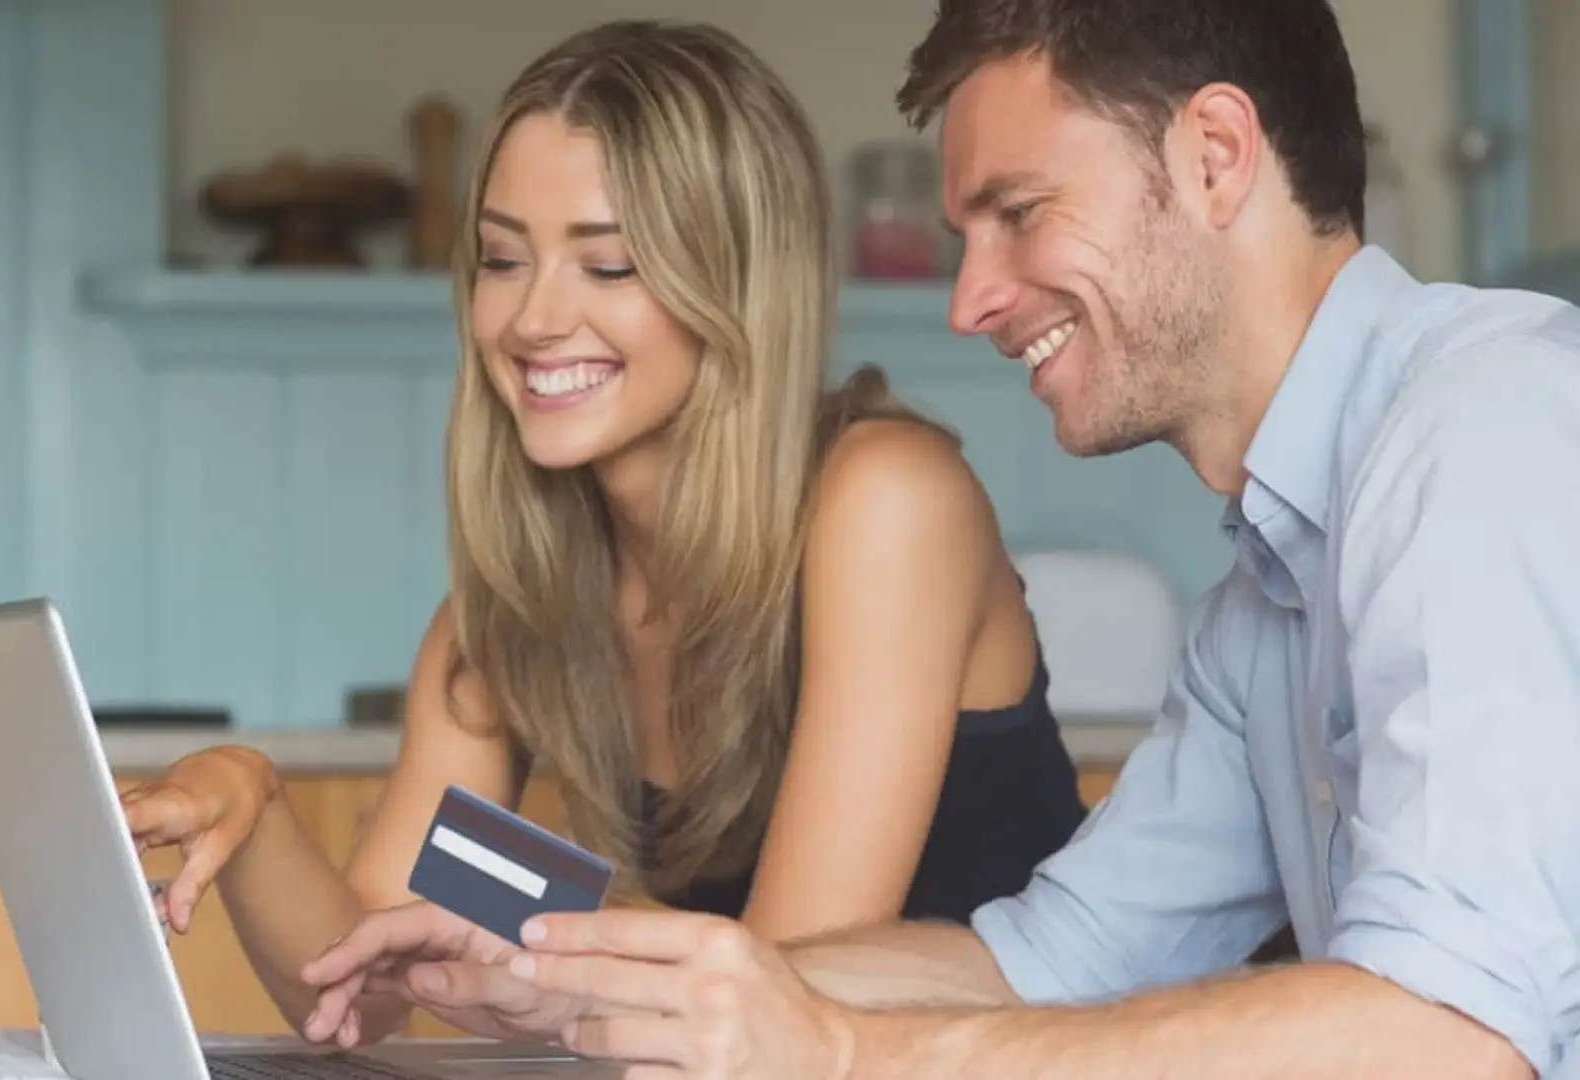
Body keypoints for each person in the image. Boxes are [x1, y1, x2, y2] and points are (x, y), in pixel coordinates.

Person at [298, 0, 1580, 1076]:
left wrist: (845, 1052)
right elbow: (1048, 959)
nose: (969, 300)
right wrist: (580, 983)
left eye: (1018, 212)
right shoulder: (1262, 607)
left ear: (1215, 153)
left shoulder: (1483, 417)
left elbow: (1449, 1033)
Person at [121, 16, 1092, 1043]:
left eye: (610, 265)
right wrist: (252, 807)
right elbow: (360, 987)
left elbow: (784, 990)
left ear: (735, 285)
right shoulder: (510, 611)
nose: (533, 319)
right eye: (502, 258)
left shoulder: (889, 502)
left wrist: (531, 923)